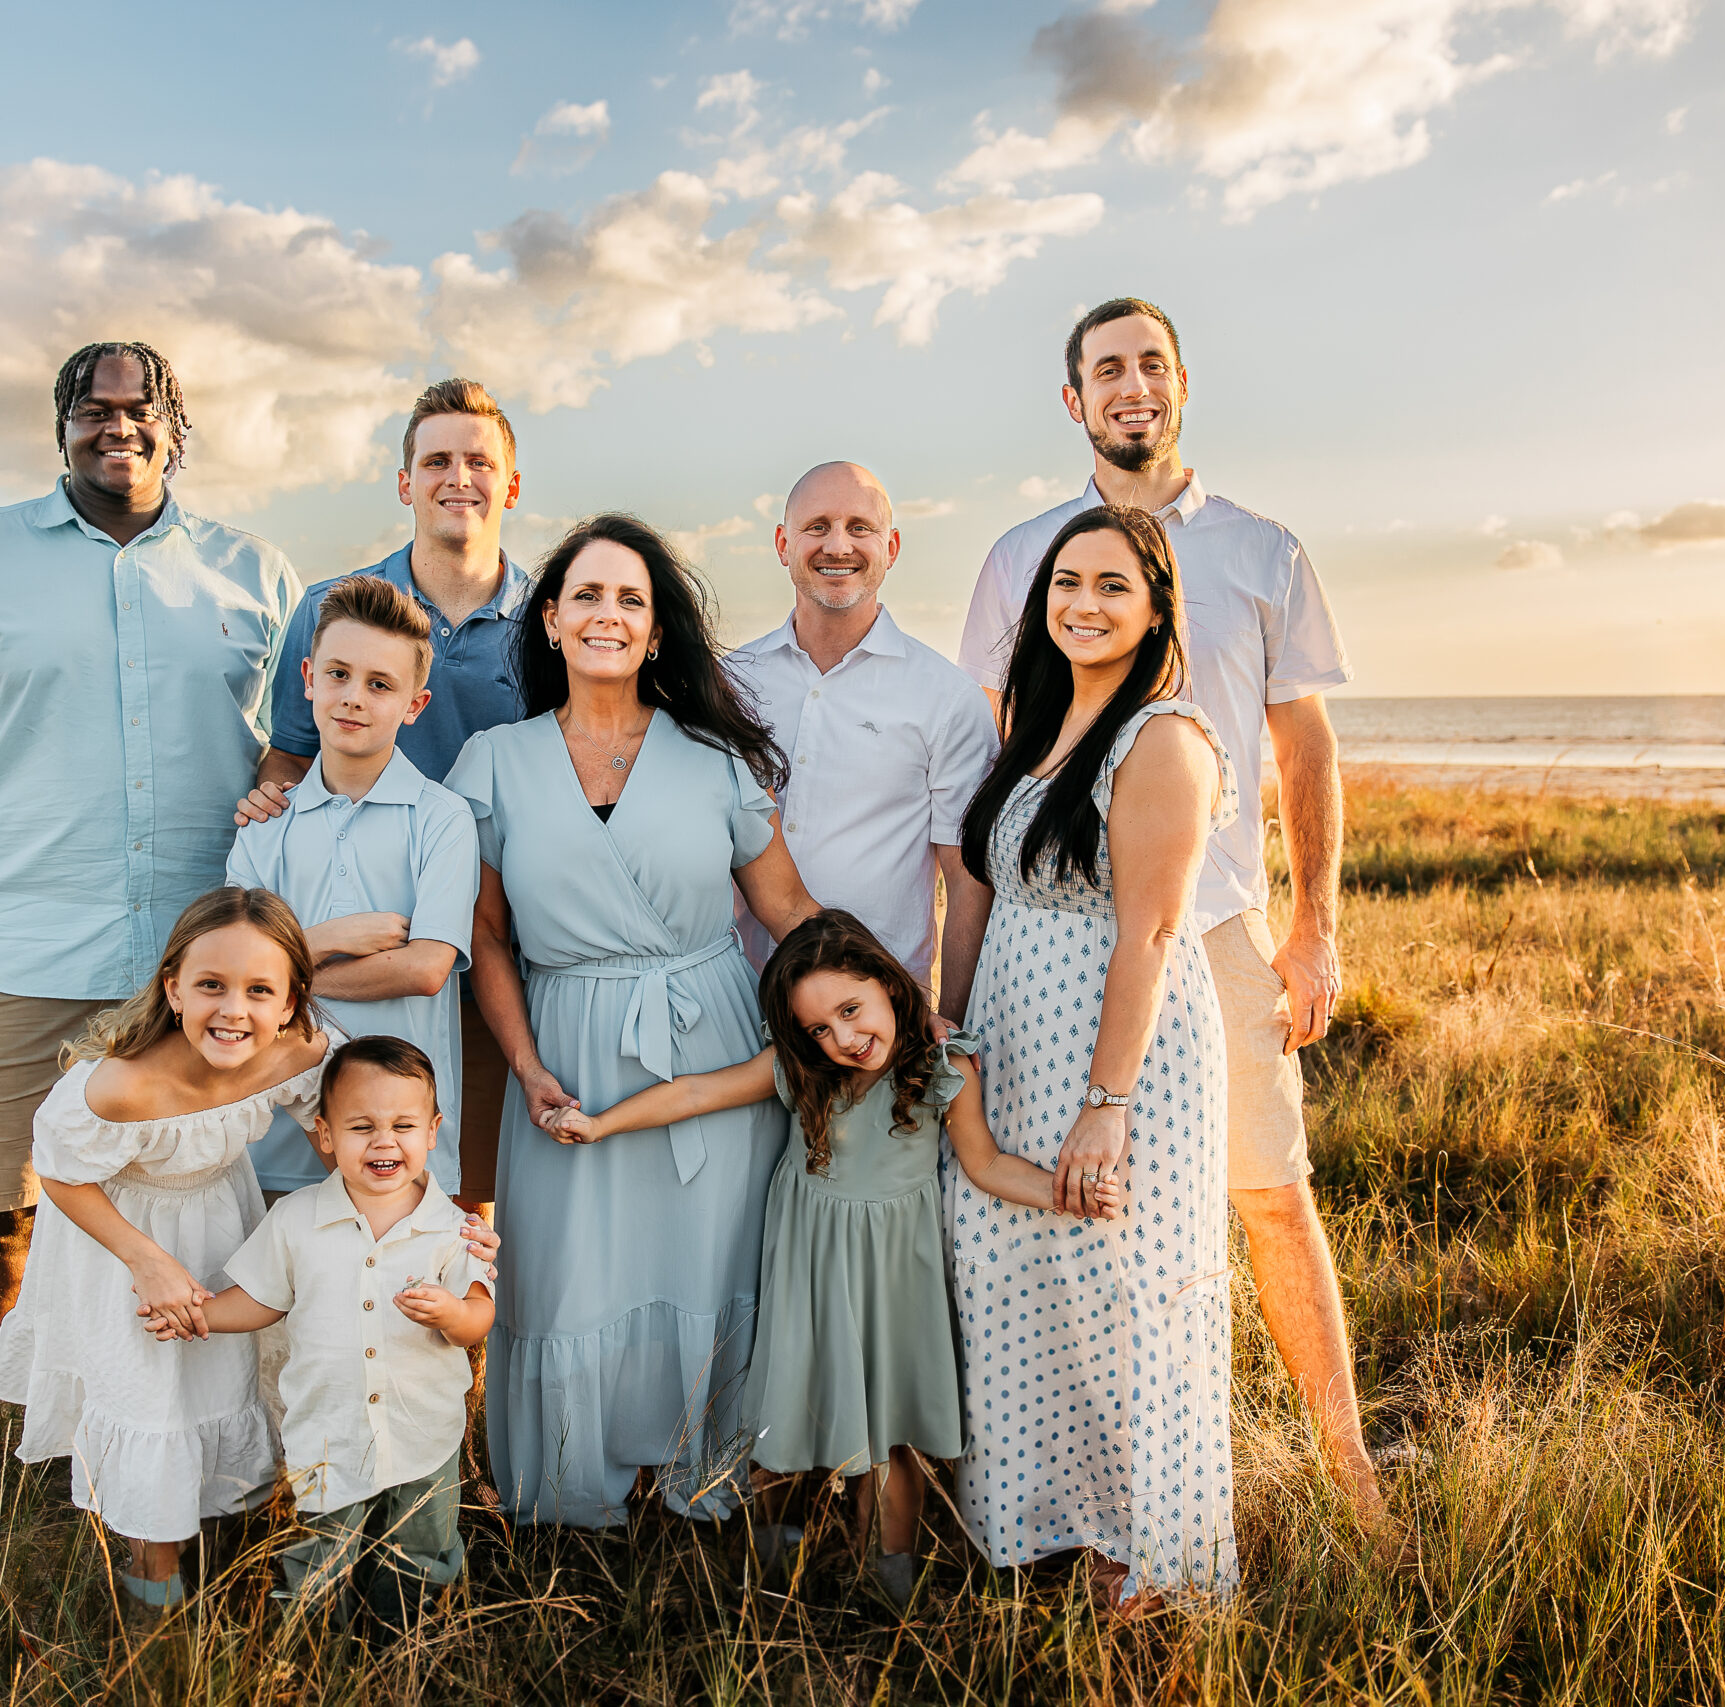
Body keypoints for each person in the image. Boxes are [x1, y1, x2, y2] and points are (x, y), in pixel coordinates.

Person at [955, 297, 1382, 1522]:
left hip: (1214, 932)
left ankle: (1350, 1474)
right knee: (1060, 1220)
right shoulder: (1020, 556)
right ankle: (1078, 1492)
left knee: (1267, 1192)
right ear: (1072, 400)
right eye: (1105, 370)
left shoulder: (1261, 548)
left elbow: (1303, 745)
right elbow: (1008, 751)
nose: (1129, 386)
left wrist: (1314, 926)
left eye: (1150, 364)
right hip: (1055, 940)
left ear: (1182, 383)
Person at [0, 342, 300, 1498]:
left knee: (206, 1224)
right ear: (58, 425)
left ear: (176, 430)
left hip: (192, 977)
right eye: (93, 407)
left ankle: (190, 1478)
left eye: (142, 407)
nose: (119, 424)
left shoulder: (257, 575)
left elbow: (301, 759)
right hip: (7, 951)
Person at [444, 513, 821, 1527]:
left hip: (711, 1041)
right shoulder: (492, 761)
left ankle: (707, 1482)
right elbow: (485, 938)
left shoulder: (713, 761)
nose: (608, 614)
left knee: (704, 1264)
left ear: (657, 634)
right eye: (588, 596)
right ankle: (569, 1496)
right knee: (568, 1276)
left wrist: (877, 1000)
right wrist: (523, 1066)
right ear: (553, 621)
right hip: (562, 1047)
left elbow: (786, 911)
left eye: (631, 599)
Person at [544, 908, 1068, 1602]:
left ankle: (891, 1585)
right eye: (820, 1027)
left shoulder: (944, 1066)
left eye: (851, 1010)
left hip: (890, 1278)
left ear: (887, 979)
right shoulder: (804, 1069)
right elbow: (700, 1091)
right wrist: (603, 1122)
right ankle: (772, 1578)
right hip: (806, 1268)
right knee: (783, 1412)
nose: (844, 1038)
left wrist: (1062, 1192)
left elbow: (988, 1163)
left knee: (889, 1431)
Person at [951, 503, 1236, 1599]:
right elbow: (985, 888)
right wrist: (958, 1029)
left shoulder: (1160, 737)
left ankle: (1145, 1557)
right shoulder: (1036, 726)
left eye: (1115, 584)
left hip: (1120, 1061)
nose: (1084, 603)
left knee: (1115, 1288)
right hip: (1016, 1047)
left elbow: (1151, 933)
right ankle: (1050, 1530)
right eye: (1067, 582)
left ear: (1158, 604)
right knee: (1018, 1277)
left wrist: (1105, 1098)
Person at [0, 887, 333, 1622]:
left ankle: (228, 1552)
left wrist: (390, 1226)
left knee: (223, 1377)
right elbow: (61, 1173)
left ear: (292, 1000)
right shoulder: (123, 1084)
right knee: (151, 1401)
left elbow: (332, 1137)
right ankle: (154, 1615)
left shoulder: (299, 1052)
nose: (233, 1011)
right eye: (210, 985)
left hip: (221, 1219)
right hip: (120, 1237)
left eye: (258, 990)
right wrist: (145, 1260)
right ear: (173, 987)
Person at [239, 378, 530, 1207]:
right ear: (406, 483)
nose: (458, 477)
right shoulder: (337, 609)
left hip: (501, 942)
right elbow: (291, 756)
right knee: (316, 1183)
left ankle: (450, 1335)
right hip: (355, 934)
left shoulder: (548, 619)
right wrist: (268, 803)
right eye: (436, 459)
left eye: (479, 461)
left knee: (462, 1189)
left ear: (509, 486)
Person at [147, 1035, 494, 1636]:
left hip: (423, 1432)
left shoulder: (453, 1228)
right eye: (362, 1127)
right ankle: (307, 1648)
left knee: (422, 1549)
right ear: (326, 1134)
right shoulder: (297, 1218)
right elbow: (259, 1301)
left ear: (433, 1131)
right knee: (318, 1551)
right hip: (326, 1432)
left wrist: (450, 1314)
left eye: (403, 1125)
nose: (384, 1141)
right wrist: (198, 1314)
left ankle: (403, 1642)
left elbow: (477, 1320)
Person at [226, 576, 480, 1198]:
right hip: (272, 1145)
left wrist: (280, 979)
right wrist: (332, 939)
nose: (353, 699)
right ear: (308, 677)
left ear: (413, 705)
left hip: (402, 1157)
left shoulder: (442, 818)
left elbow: (423, 969)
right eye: (338, 675)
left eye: (380, 685)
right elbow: (227, 974)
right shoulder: (266, 824)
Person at [728, 462, 999, 1016]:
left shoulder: (947, 698)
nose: (838, 545)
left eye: (859, 527)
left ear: (891, 546)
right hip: (738, 1003)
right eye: (817, 526)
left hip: (878, 1022)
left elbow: (967, 882)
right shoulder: (731, 682)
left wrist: (949, 1023)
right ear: (783, 543)